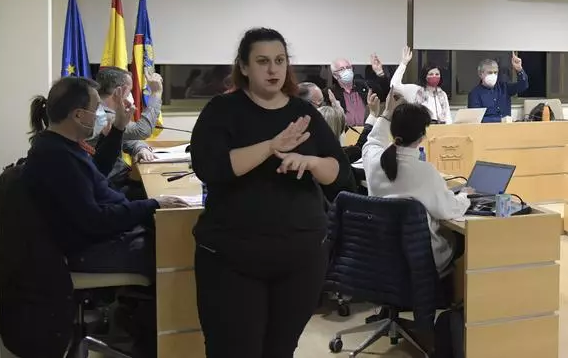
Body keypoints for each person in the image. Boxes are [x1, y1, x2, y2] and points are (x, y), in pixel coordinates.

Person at [190, 27, 349, 358]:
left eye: (280, 60)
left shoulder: (304, 113)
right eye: (262, 61)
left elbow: (340, 176)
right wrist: (271, 146)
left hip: (301, 258)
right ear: (244, 67)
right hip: (233, 260)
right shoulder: (222, 110)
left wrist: (312, 162)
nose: (273, 69)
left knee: (280, 350)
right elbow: (211, 168)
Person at [22, 77, 189, 356]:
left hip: (92, 238)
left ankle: (136, 319)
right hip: (86, 249)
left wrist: (120, 127)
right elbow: (95, 220)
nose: (102, 113)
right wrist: (152, 205)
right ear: (78, 115)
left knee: (167, 237)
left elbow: (96, 173)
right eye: (97, 108)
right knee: (175, 253)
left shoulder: (60, 145)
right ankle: (159, 341)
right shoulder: (57, 158)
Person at [363, 103, 471, 274]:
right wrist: (464, 196)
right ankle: (442, 288)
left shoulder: (373, 162)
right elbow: (448, 210)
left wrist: (386, 113)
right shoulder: (425, 172)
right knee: (461, 239)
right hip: (420, 259)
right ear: (422, 137)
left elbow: (373, 142)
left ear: (392, 130)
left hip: (382, 255)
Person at [90, 66, 164, 164]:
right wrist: (156, 93)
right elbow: (142, 131)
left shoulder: (97, 109)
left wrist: (141, 148)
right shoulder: (103, 117)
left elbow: (123, 139)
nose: (129, 98)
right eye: (129, 91)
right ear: (118, 92)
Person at [391, 46, 452, 124]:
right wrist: (404, 63)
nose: (434, 76)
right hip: (419, 128)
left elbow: (448, 118)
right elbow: (394, 85)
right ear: (425, 76)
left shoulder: (442, 94)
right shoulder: (415, 90)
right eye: (431, 74)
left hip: (440, 129)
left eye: (437, 74)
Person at [328, 53, 388, 127]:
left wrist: (380, 73)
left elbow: (385, 94)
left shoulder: (365, 85)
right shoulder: (331, 93)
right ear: (335, 75)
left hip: (368, 129)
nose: (346, 71)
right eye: (341, 69)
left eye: (348, 67)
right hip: (346, 131)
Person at [467, 53, 529, 123]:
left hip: (506, 128)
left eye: (495, 72)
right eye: (490, 73)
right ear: (480, 74)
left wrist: (519, 70)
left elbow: (523, 86)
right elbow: (475, 119)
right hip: (487, 129)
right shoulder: (474, 94)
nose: (493, 75)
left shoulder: (504, 87)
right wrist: (500, 120)